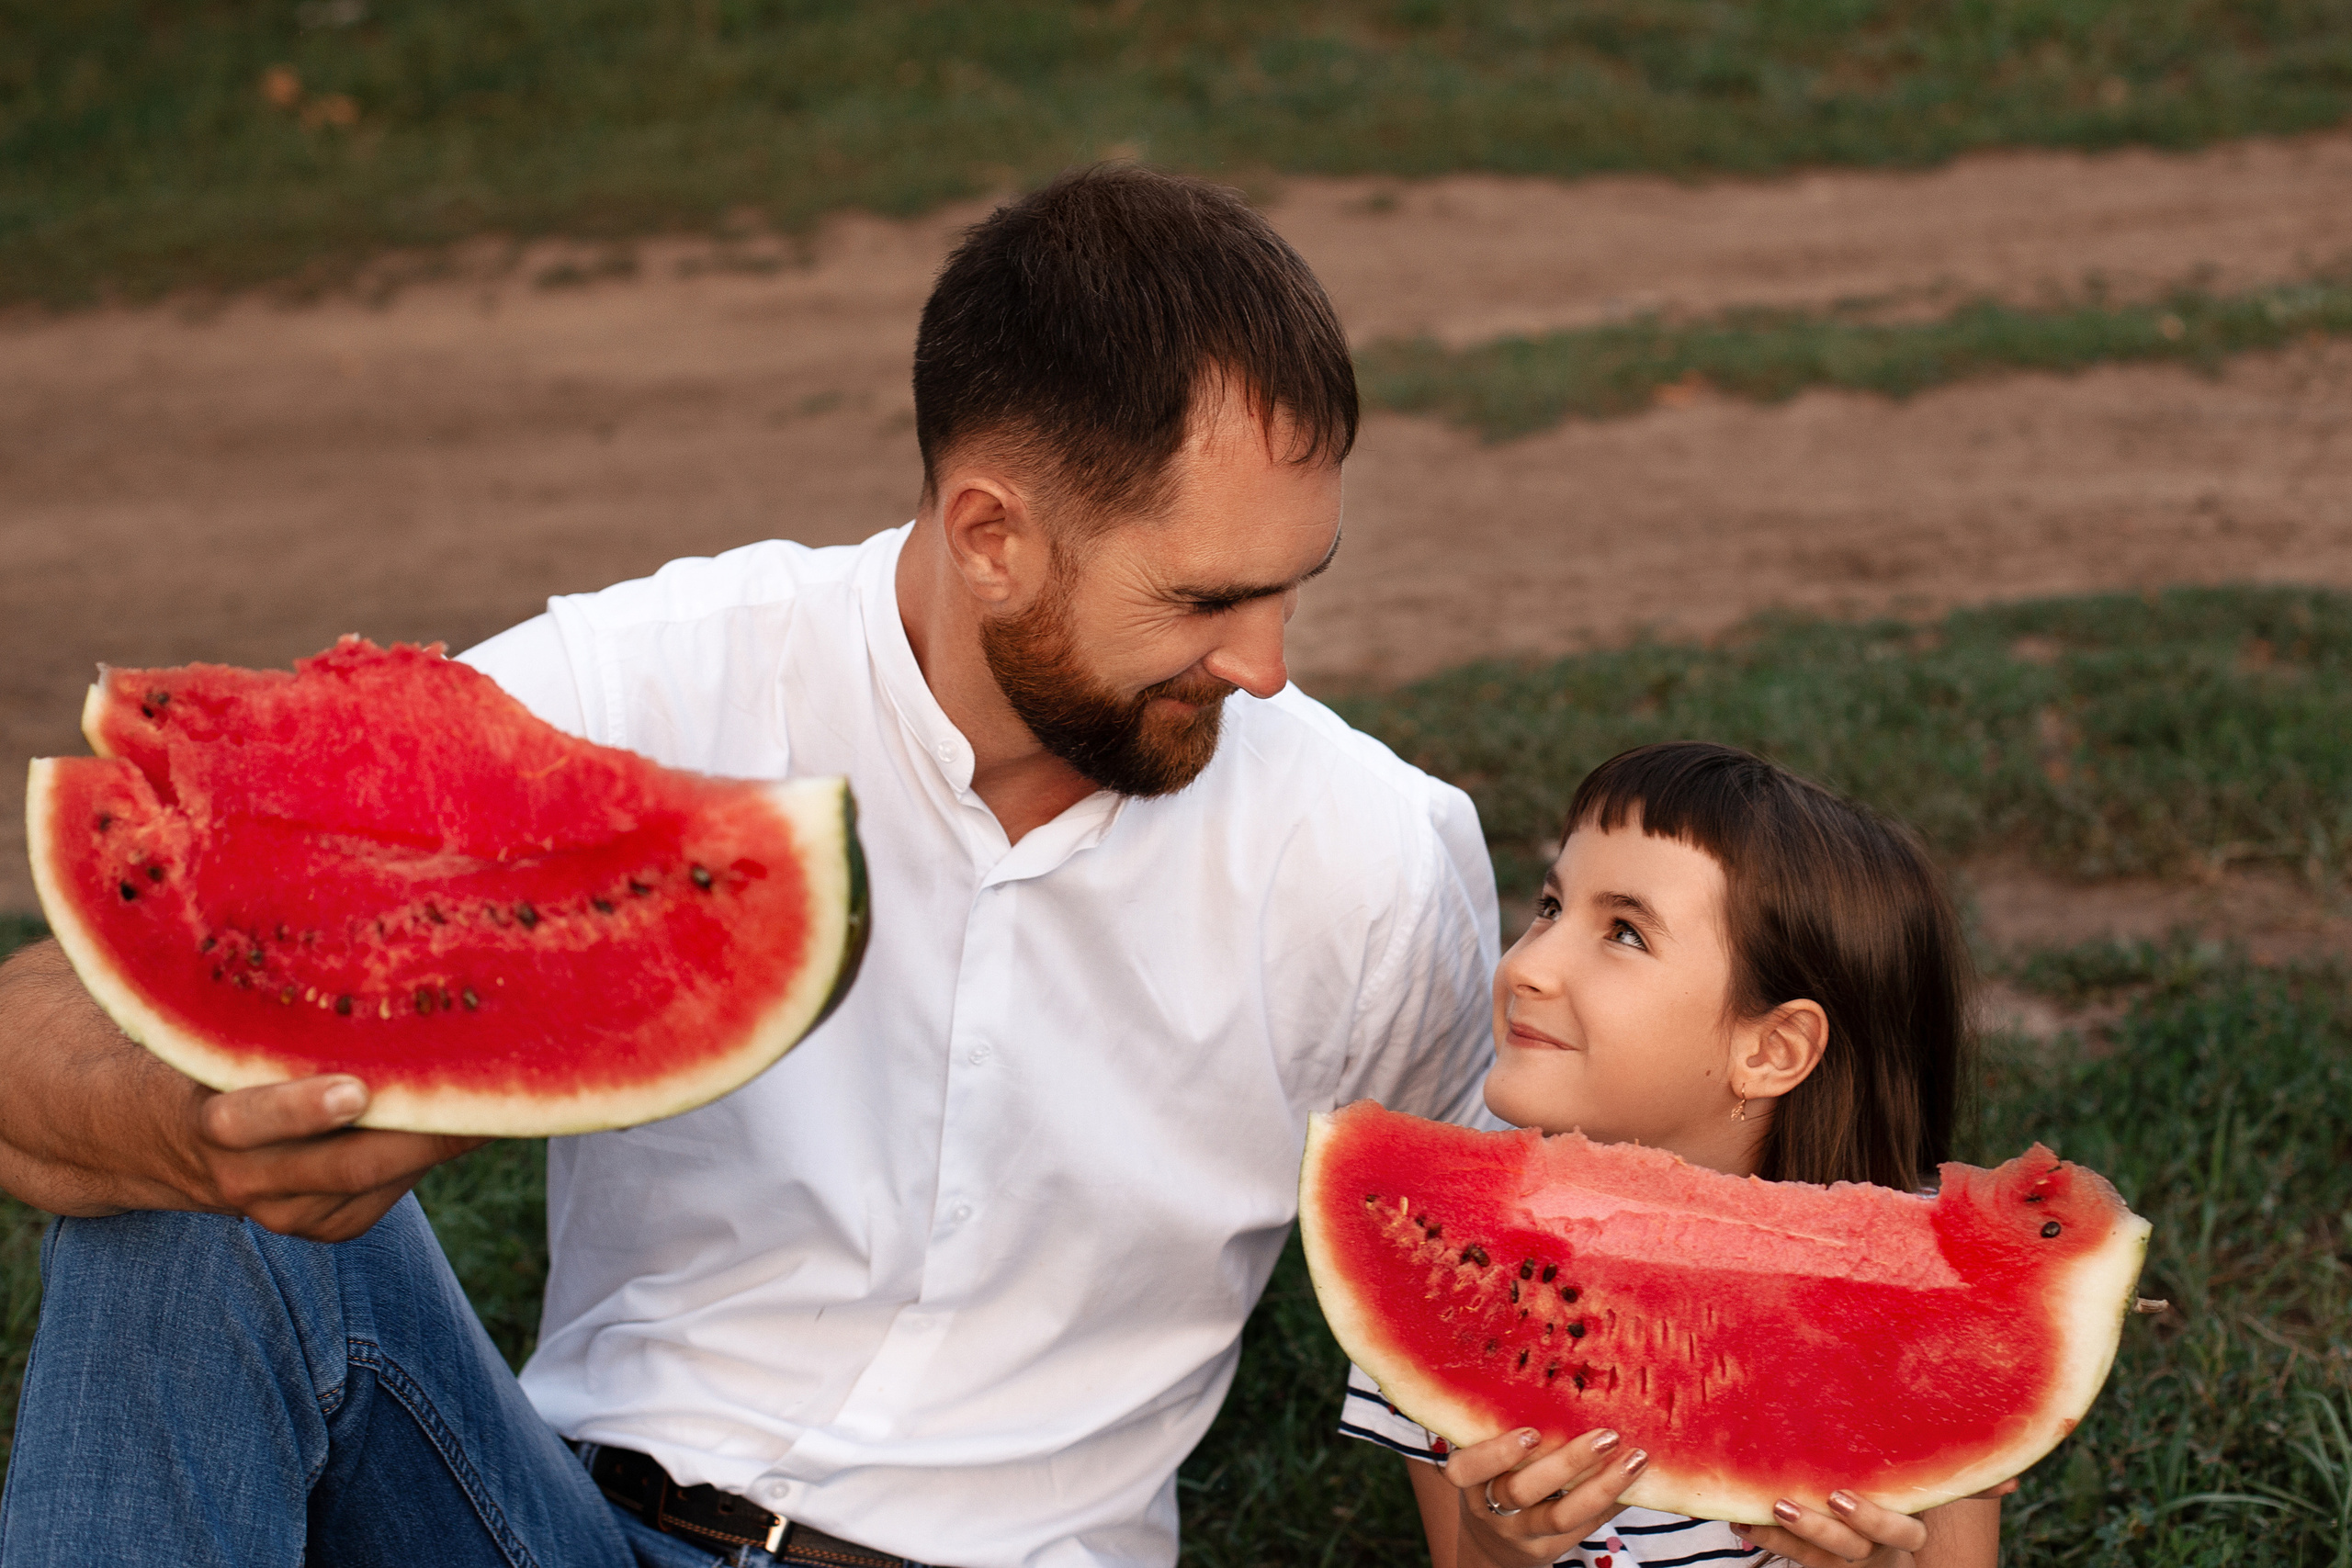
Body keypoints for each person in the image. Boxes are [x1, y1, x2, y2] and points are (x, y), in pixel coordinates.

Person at [0, 166, 1502, 1566]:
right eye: (1207, 598)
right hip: (571, 1522)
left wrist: (1540, 1500)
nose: (1266, 664)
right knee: (194, 1211)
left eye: (1300, 584)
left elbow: (1476, 1376)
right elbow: (48, 1010)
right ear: (992, 534)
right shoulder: (650, 690)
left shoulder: (1374, 859)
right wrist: (214, 1134)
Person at [1337, 741, 2007, 1568]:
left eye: (1623, 931)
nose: (1528, 965)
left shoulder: (1930, 1309)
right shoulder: (1456, 1264)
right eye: (1550, 906)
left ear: (1771, 1049)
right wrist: (1495, 1540)